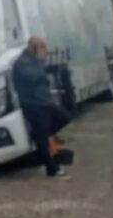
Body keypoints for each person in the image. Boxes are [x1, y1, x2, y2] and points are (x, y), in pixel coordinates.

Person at [12, 36, 71, 178]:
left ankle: (39, 137)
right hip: (34, 104)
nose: (45, 50)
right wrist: (40, 60)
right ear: (34, 47)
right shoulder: (21, 63)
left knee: (64, 117)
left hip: (45, 101)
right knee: (43, 139)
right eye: (42, 46)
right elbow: (34, 76)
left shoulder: (33, 60)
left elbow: (41, 72)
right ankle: (52, 169)